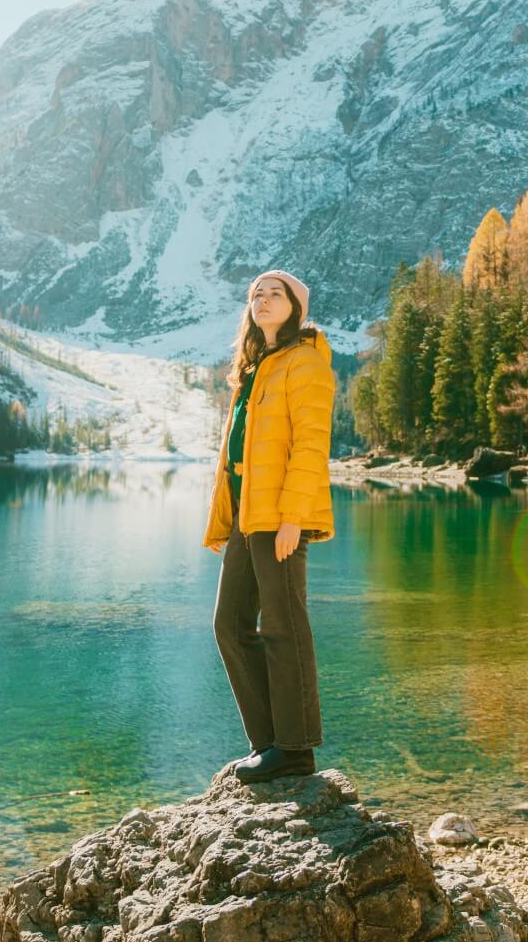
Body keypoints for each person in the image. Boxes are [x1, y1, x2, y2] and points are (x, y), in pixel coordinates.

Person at [205, 269, 336, 783]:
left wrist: (291, 519)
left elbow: (310, 447)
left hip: (280, 517)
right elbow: (236, 454)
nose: (262, 299)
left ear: (295, 308)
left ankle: (296, 750)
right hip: (246, 516)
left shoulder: (305, 363)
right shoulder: (257, 367)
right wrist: (225, 522)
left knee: (284, 628)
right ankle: (267, 744)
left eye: (274, 294)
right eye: (256, 294)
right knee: (230, 626)